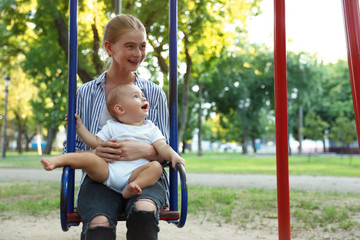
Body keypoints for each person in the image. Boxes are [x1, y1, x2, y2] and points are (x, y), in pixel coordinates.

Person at [61, 14, 172, 240]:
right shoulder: (86, 92)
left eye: (142, 46)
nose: (138, 54)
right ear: (109, 48)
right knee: (98, 225)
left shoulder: (153, 93)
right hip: (102, 177)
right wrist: (94, 152)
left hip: (145, 175)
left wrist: (145, 151)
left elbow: (166, 153)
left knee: (144, 211)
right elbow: (71, 149)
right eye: (130, 46)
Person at [41, 83, 185, 199]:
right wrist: (80, 128)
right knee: (89, 157)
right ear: (120, 109)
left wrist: (173, 156)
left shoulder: (151, 128)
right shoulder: (112, 126)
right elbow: (95, 142)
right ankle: (58, 161)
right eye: (136, 96)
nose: (144, 99)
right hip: (109, 171)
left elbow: (162, 146)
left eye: (143, 95)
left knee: (155, 168)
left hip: (136, 173)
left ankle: (134, 187)